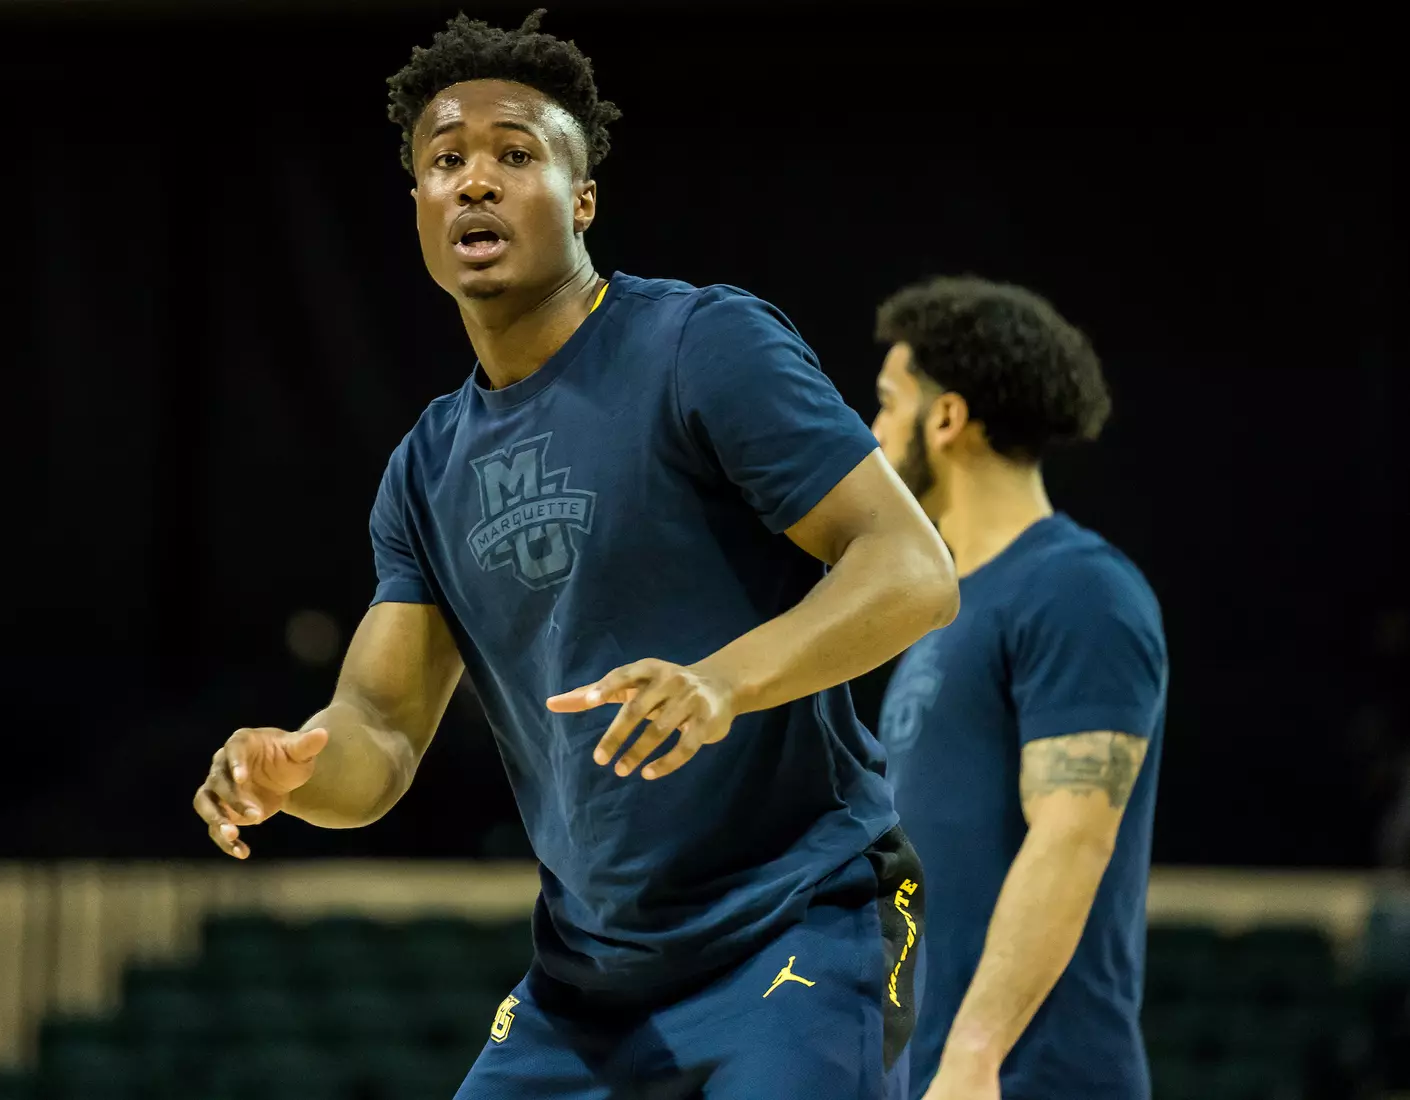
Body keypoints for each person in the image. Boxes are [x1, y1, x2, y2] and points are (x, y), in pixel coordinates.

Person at [191, 10, 960, 1099]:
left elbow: (912, 569)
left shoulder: (701, 344)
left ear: (583, 197)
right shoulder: (425, 467)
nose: (475, 180)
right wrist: (295, 770)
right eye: (445, 161)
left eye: (516, 155)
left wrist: (720, 681)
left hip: (800, 917)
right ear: (417, 206)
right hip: (592, 977)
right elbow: (379, 731)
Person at [867, 276, 1168, 1100]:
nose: (872, 431)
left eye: (887, 404)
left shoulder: (1078, 587)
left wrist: (976, 1053)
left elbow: (1073, 837)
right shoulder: (946, 614)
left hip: (1026, 1077)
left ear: (947, 418)